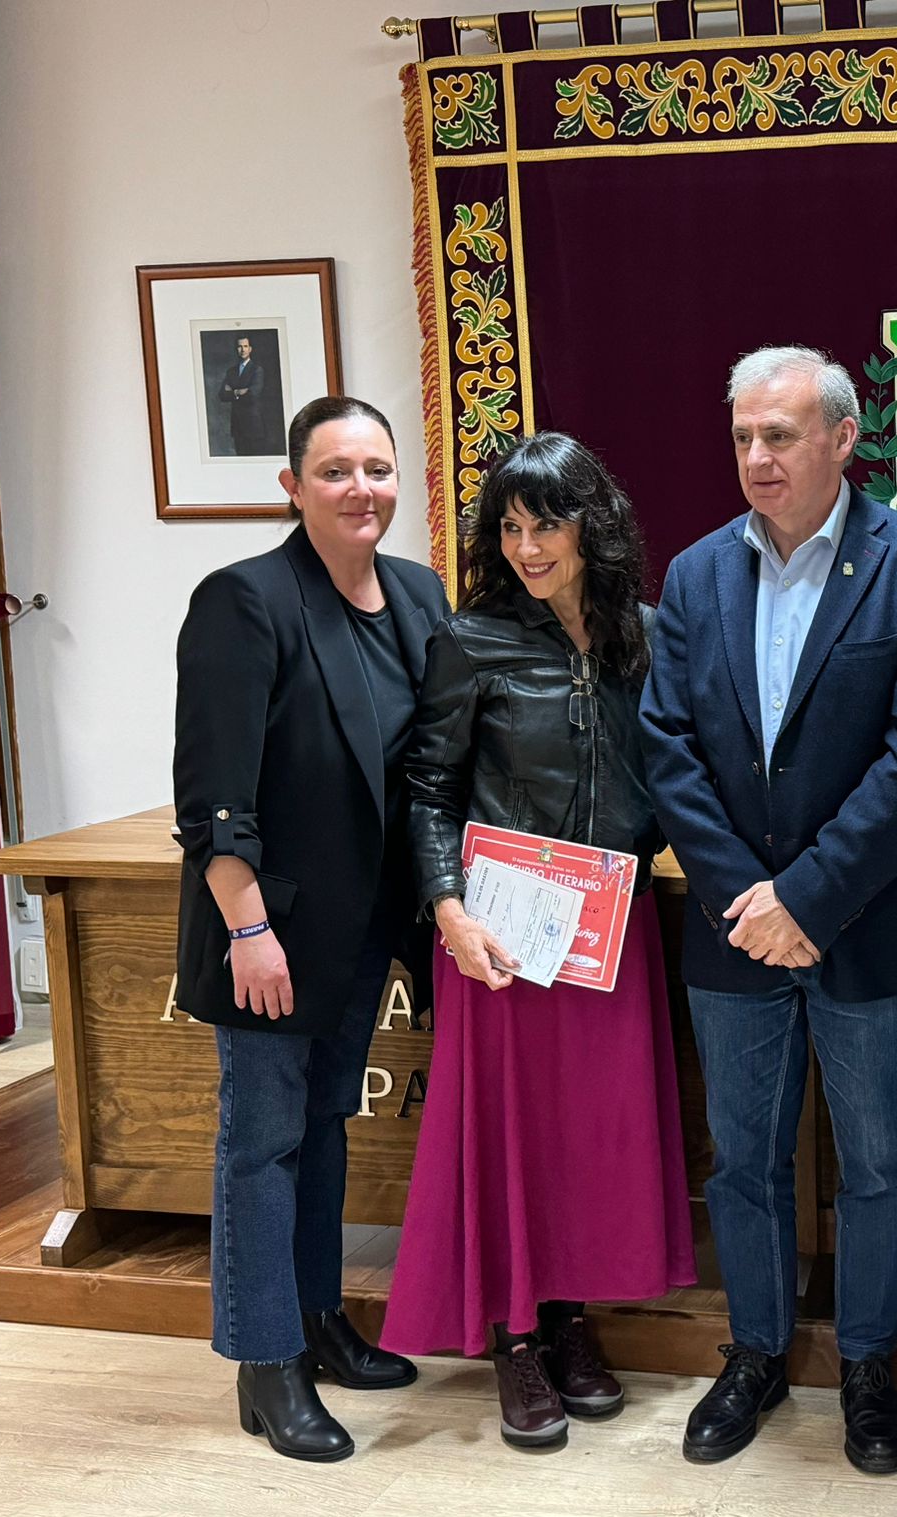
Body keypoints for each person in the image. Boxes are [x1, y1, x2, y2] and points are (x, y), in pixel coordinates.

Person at [639, 344, 897, 1473]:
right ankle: (757, 1353)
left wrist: (810, 898)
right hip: (733, 932)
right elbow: (667, 750)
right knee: (744, 1161)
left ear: (841, 439)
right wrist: (750, 899)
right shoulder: (690, 576)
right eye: (742, 437)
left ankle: (868, 1367)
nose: (757, 458)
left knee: (878, 1160)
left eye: (779, 435)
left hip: (864, 926)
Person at [379, 431, 696, 1449]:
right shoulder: (469, 640)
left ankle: (568, 1317)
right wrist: (449, 909)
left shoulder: (645, 637)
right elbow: (427, 788)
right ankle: (514, 1339)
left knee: (585, 1141)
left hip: (608, 928)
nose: (525, 547)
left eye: (544, 524)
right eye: (509, 528)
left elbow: (675, 774)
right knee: (509, 1138)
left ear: (589, 525)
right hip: (498, 936)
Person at [173, 396, 448, 1462]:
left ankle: (322, 1317)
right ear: (291, 486)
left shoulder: (418, 597)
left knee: (327, 1125)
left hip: (367, 926)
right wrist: (247, 929)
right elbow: (214, 794)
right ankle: (265, 1360)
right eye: (335, 471)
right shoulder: (245, 601)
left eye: (376, 469)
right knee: (263, 1141)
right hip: (271, 933)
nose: (361, 489)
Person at [217, 335, 274, 456]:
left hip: (253, 425)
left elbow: (253, 394)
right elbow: (222, 395)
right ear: (236, 349)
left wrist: (232, 391)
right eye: (239, 346)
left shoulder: (257, 370)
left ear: (250, 349)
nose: (242, 349)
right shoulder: (231, 371)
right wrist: (239, 392)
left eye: (245, 346)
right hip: (238, 425)